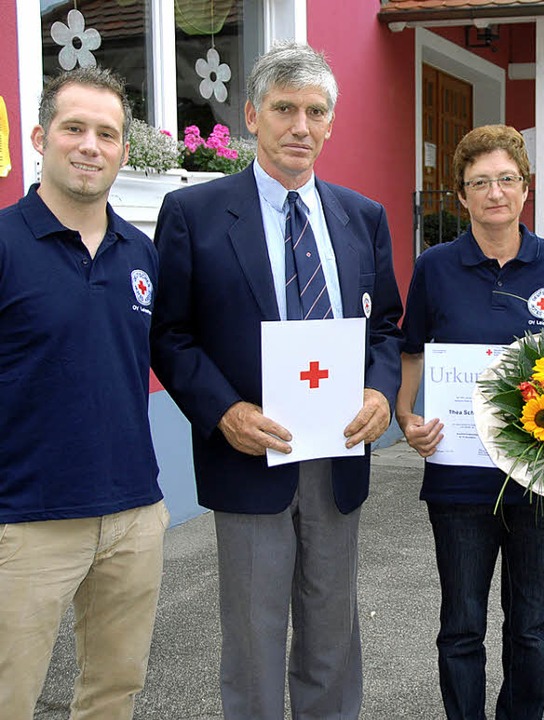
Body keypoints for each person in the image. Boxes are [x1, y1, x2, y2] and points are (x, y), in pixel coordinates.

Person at [150, 42, 403, 720]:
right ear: (252, 116)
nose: (301, 126)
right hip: (250, 454)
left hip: (337, 454)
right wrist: (223, 409)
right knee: (254, 637)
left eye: (315, 111)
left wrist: (381, 392)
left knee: (331, 634)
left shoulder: (361, 217)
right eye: (285, 109)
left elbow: (387, 329)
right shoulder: (193, 214)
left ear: (330, 123)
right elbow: (170, 334)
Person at [396, 125, 544, 720]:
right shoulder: (435, 267)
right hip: (458, 480)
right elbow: (412, 352)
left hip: (539, 479)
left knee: (530, 625)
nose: (495, 193)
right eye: (479, 183)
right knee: (460, 624)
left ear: (526, 188)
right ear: (461, 196)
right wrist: (407, 415)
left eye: (506, 180)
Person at [0, 67, 168, 720]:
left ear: (125, 151)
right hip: (26, 521)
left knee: (113, 696)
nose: (90, 145)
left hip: (133, 515)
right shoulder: (7, 243)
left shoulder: (142, 255)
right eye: (75, 128)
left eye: (107, 133)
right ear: (42, 137)